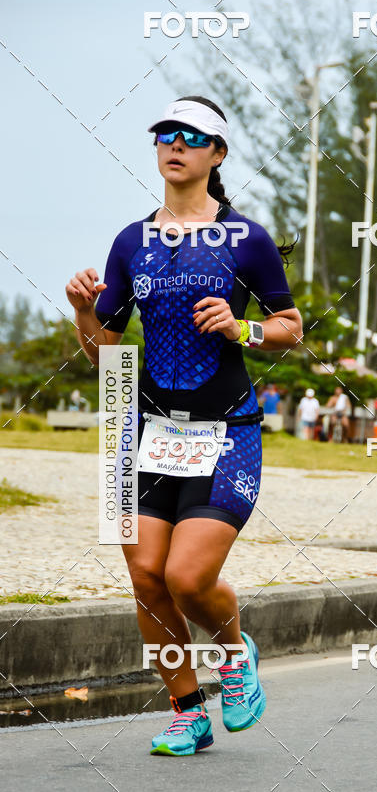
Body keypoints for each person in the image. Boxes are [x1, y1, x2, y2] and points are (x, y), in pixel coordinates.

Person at [66, 96, 303, 755]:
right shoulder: (130, 242)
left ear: (217, 153)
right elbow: (107, 358)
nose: (174, 144)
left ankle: (236, 652)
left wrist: (241, 327)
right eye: (165, 134)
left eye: (192, 137)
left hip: (226, 432)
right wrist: (84, 313)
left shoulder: (246, 239)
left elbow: (290, 328)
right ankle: (188, 711)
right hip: (146, 434)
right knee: (146, 578)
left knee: (187, 578)